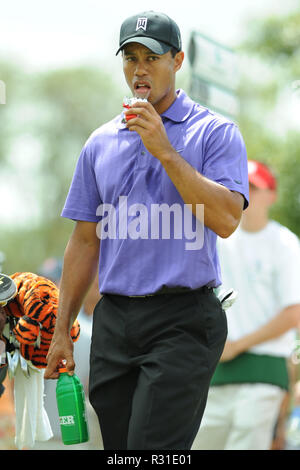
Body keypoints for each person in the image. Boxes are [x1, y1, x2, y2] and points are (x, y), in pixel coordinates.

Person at [44, 10, 249, 450]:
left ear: (176, 61)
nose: (140, 69)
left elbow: (228, 220)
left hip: (184, 319)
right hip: (114, 322)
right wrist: (62, 331)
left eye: (152, 57)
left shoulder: (215, 133)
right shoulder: (100, 143)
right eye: (130, 57)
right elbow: (83, 242)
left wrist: (166, 151)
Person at [192, 160, 300, 450]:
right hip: (214, 374)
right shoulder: (215, 241)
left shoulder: (286, 245)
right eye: (242, 186)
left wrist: (237, 346)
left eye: (254, 187)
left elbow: (294, 313)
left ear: (271, 195)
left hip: (262, 373)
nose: (246, 193)